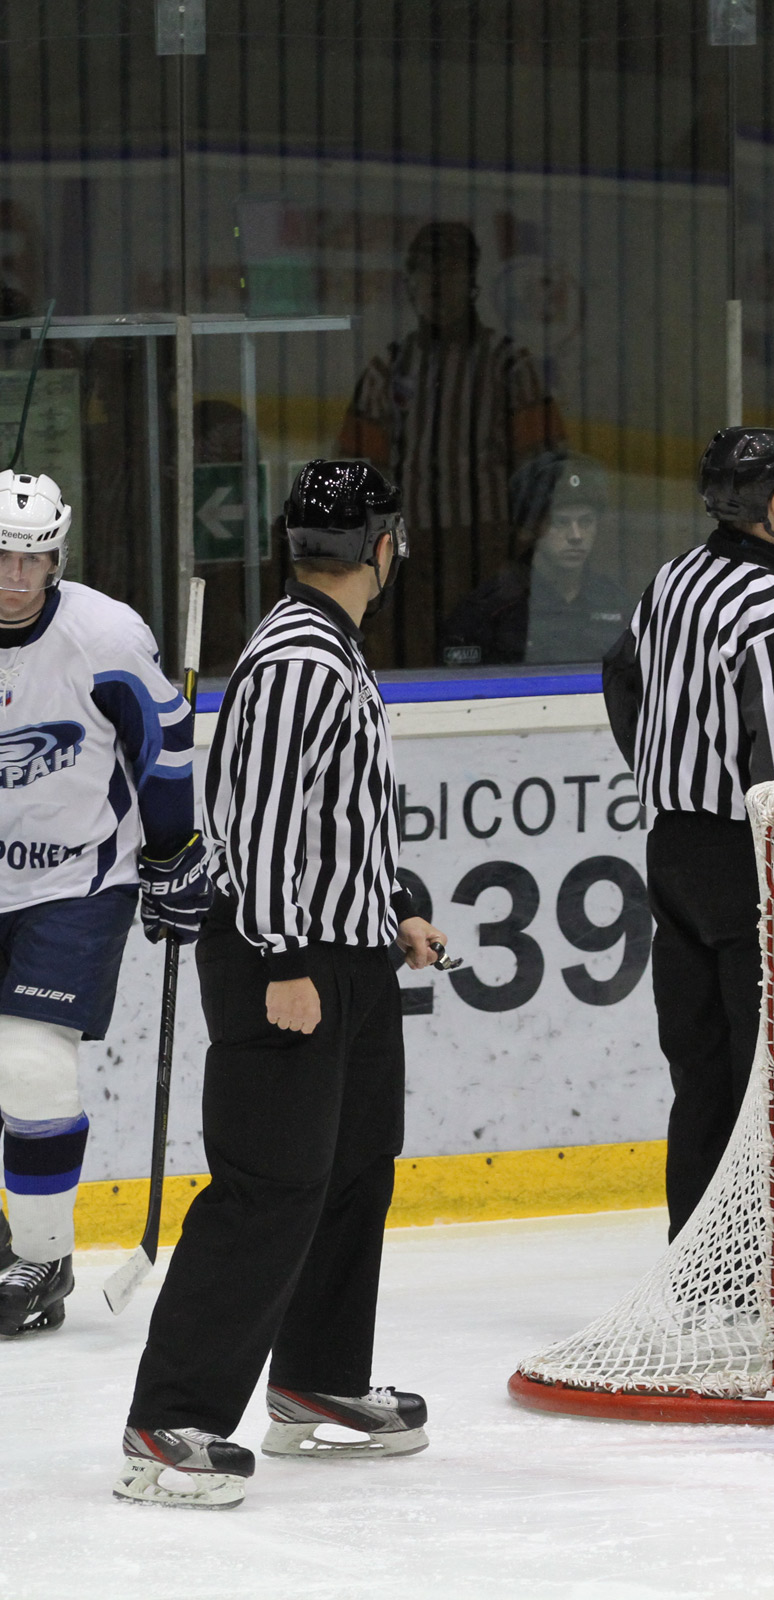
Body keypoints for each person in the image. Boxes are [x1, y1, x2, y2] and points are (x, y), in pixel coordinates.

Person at [118, 460, 451, 1509]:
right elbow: (256, 824)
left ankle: (317, 1379)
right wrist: (282, 962)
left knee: (354, 1167)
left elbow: (330, 816)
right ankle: (169, 1420)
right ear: (378, 547)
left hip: (343, 952)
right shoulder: (300, 658)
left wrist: (391, 903)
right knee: (269, 1185)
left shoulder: (330, 649)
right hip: (287, 961)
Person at [600, 427, 774, 1248]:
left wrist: (659, 768)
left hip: (672, 854)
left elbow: (618, 668)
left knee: (702, 1076)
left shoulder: (673, 579)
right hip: (752, 865)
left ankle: (695, 1264)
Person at [0, 470, 206, 1336]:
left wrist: (174, 855)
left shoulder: (107, 636)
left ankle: (43, 1260)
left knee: (35, 1063)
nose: (16, 580)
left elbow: (164, 749)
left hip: (76, 878)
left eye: (32, 561)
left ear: (58, 559)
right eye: (1, 559)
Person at [336, 220, 566, 668]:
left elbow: (544, 470)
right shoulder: (389, 368)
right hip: (407, 558)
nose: (437, 283)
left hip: (487, 551)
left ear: (473, 282)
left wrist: (520, 554)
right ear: (410, 284)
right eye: (425, 272)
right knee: (412, 662)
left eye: (451, 270)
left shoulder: (508, 368)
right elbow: (356, 473)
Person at [438, 452, 635, 666]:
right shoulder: (487, 613)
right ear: (532, 528)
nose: (576, 536)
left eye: (586, 522)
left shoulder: (617, 604)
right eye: (560, 522)